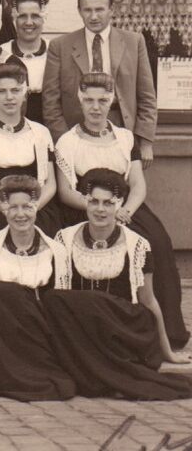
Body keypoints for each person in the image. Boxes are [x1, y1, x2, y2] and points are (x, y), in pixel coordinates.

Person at [53, 71, 187, 349]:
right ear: (80, 100)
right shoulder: (67, 141)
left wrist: (125, 209)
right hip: (87, 209)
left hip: (126, 209)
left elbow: (137, 184)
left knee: (157, 242)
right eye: (89, 100)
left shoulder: (125, 138)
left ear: (112, 100)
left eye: (102, 100)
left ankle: (166, 331)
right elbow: (66, 192)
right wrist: (101, 208)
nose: (95, 107)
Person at [45, 168, 192, 400]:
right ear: (85, 202)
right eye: (94, 201)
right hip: (85, 330)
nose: (100, 209)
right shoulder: (65, 239)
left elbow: (148, 300)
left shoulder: (137, 245)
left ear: (120, 204)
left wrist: (168, 353)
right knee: (55, 299)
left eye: (108, 203)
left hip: (123, 329)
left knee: (81, 301)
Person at [0, 175, 75, 401]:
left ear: (36, 208)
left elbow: (58, 301)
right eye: (13, 207)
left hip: (35, 330)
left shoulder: (56, 251)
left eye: (27, 207)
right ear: (4, 209)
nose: (20, 214)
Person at [42, 0, 158, 166]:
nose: (93, 16)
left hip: (122, 128)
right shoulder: (60, 46)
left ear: (112, 10)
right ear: (79, 11)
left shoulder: (134, 42)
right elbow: (50, 101)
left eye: (99, 10)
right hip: (76, 131)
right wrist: (64, 141)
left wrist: (145, 142)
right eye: (87, 10)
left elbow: (147, 96)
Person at [0, 62, 61, 239]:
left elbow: (51, 184)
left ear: (24, 93)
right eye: (2, 91)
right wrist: (3, 207)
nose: (9, 97)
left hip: (36, 209)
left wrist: (32, 208)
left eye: (15, 90)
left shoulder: (40, 132)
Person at [0, 0, 50, 122]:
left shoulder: (55, 50)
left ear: (44, 17)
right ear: (14, 18)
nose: (29, 22)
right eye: (22, 16)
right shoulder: (2, 53)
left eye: (35, 16)